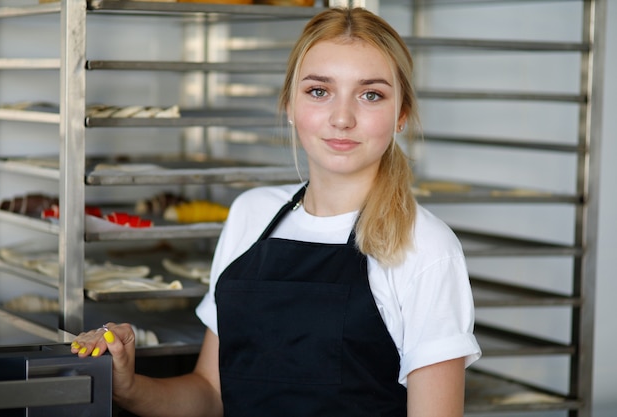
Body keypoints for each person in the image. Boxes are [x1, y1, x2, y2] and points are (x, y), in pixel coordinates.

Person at [71, 7, 481, 417]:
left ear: (401, 115)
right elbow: (211, 394)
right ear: (289, 104)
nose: (342, 118)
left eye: (370, 94)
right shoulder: (252, 214)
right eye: (319, 91)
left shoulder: (425, 247)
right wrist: (126, 386)